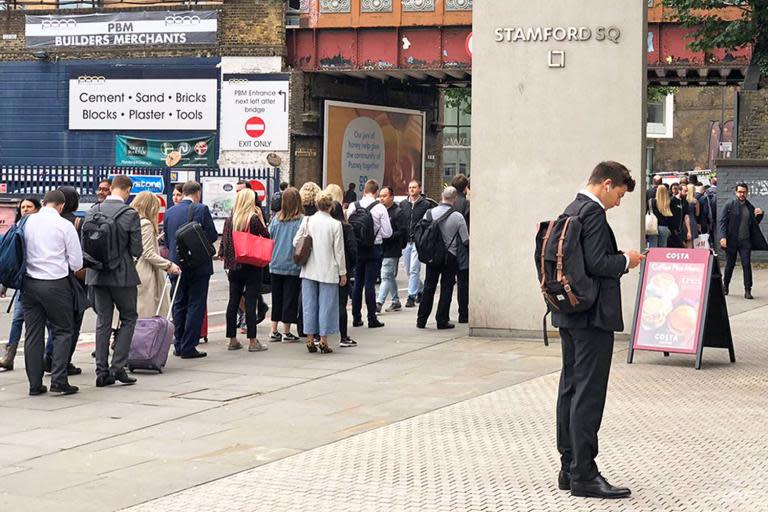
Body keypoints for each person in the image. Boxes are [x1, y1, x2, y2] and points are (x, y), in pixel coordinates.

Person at [552, 161, 643, 499]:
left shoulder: (570, 209)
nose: (619, 201)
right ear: (606, 184)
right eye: (619, 194)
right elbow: (597, 264)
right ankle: (585, 475)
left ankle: (569, 466)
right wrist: (627, 260)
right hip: (592, 318)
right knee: (588, 395)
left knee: (570, 390)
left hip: (569, 315)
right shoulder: (592, 214)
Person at [22, 190, 83, 395]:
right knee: (63, 331)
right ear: (61, 206)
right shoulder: (64, 225)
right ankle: (59, 380)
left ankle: (35, 384)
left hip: (29, 284)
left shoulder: (27, 222)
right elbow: (76, 263)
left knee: (33, 334)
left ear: (43, 203)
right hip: (56, 284)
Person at [85, 175, 142, 388]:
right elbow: (137, 249)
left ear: (111, 189)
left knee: (103, 321)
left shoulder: (93, 210)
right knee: (129, 317)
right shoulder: (129, 214)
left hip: (96, 274)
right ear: (126, 190)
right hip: (122, 274)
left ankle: (101, 371)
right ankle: (118, 367)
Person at [163, 180, 218, 359]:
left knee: (178, 303)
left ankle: (178, 343)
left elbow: (168, 237)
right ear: (198, 193)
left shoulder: (170, 212)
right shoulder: (201, 209)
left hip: (176, 264)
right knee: (196, 303)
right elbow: (211, 235)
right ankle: (189, 346)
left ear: (183, 192)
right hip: (198, 265)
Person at [293, 191, 347, 354]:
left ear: (316, 205)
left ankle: (310, 338)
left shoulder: (308, 220)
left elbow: (296, 241)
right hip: (328, 270)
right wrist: (342, 272)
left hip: (309, 268)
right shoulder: (335, 224)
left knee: (309, 304)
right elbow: (339, 251)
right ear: (330, 206)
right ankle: (323, 339)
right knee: (327, 306)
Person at [218, 188, 270, 352]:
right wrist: (262, 219)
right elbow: (266, 236)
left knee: (233, 301)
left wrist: (223, 256)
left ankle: (232, 339)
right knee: (251, 301)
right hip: (252, 264)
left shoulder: (230, 220)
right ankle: (253, 341)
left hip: (235, 266)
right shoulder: (253, 219)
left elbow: (225, 241)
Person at [43, 186, 85, 376]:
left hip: (43, 279)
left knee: (52, 323)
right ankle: (63, 362)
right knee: (70, 324)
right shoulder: (76, 222)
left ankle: (48, 357)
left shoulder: (39, 221)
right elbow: (78, 259)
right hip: (71, 279)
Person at [416, 187, 468, 330]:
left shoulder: (429, 214)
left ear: (442, 196)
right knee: (446, 289)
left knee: (428, 287)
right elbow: (465, 240)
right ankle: (442, 320)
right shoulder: (457, 217)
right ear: (455, 199)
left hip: (432, 256)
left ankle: (421, 319)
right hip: (449, 257)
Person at [0, 198, 41, 372]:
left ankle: (49, 355)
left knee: (47, 323)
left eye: (29, 207)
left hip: (40, 280)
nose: (25, 210)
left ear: (37, 209)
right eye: (23, 207)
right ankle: (9, 356)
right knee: (17, 318)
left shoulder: (41, 228)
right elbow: (10, 259)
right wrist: (4, 285)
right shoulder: (16, 229)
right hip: (23, 282)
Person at [348, 179, 392, 328]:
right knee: (370, 284)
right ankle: (372, 318)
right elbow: (387, 233)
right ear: (377, 192)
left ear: (364, 191)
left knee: (357, 283)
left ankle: (356, 317)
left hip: (357, 249)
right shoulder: (380, 208)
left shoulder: (354, 206)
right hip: (374, 248)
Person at [130, 192, 181, 319]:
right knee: (148, 315)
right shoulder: (146, 224)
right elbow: (148, 252)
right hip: (145, 271)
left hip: (132, 269)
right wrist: (168, 265)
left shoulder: (131, 220)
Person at [719, 183, 767, 299]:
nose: (742, 194)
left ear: (747, 193)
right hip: (731, 241)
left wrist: (760, 215)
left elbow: (753, 224)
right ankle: (725, 286)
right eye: (740, 192)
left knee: (746, 265)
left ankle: (747, 290)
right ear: (736, 193)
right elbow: (722, 222)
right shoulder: (729, 205)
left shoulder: (749, 207)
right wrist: (723, 237)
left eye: (744, 192)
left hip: (745, 242)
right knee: (730, 264)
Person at [268, 187, 303, 343]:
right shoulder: (301, 220)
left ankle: (273, 330)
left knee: (277, 297)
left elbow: (270, 237)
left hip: (275, 263)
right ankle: (286, 331)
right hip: (292, 264)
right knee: (290, 298)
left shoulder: (276, 219)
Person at [399, 179, 437, 307]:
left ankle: (411, 296)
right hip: (406, 241)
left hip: (418, 241)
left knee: (414, 269)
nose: (411, 189)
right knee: (408, 270)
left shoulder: (426, 205)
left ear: (419, 189)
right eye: (410, 187)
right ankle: (420, 290)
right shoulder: (403, 204)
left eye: (414, 187)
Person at [330, 201, 358, 348]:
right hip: (342, 269)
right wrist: (350, 267)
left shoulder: (327, 227)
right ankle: (343, 336)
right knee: (341, 303)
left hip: (327, 269)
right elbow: (352, 249)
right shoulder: (346, 227)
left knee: (325, 302)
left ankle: (318, 335)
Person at [376, 186, 407, 313]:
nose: (381, 198)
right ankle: (396, 301)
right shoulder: (379, 211)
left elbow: (402, 231)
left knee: (385, 275)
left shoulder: (398, 212)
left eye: (384, 196)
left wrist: (389, 236)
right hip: (381, 247)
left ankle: (379, 303)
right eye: (380, 196)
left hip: (392, 248)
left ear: (391, 197)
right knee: (389, 276)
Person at [451, 174, 471, 323]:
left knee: (448, 282)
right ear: (466, 187)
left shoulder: (448, 203)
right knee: (463, 283)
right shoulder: (466, 204)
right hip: (463, 248)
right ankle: (463, 314)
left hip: (448, 248)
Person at [682, 184, 700, 248]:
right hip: (692, 221)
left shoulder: (683, 201)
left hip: (683, 222)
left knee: (685, 240)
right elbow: (697, 213)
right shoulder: (695, 201)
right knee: (692, 241)